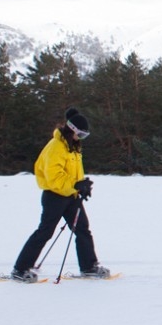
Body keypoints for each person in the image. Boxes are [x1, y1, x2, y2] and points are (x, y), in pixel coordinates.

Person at [10, 108, 110, 281]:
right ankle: (20, 269)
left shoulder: (73, 146)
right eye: (81, 134)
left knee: (82, 229)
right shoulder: (56, 147)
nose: (82, 138)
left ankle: (88, 267)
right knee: (45, 232)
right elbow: (54, 177)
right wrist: (76, 185)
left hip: (70, 195)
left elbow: (72, 173)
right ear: (72, 129)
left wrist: (82, 186)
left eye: (85, 136)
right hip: (54, 196)